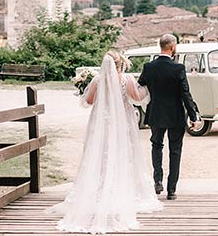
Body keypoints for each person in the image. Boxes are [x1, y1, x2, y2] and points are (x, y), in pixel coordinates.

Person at [49, 51, 163, 234]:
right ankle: (122, 188)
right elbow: (137, 97)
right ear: (120, 64)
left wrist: (85, 89)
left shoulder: (97, 80)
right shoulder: (126, 79)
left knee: (101, 153)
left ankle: (99, 189)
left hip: (101, 121)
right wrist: (148, 86)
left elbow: (89, 100)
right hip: (122, 121)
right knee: (123, 153)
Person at [138, 34, 201, 200]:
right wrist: (193, 116)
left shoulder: (148, 67)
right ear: (172, 47)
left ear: (161, 46)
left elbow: (140, 87)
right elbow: (185, 94)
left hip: (156, 113)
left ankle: (157, 180)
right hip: (175, 115)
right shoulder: (178, 68)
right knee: (175, 150)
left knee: (156, 145)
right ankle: (171, 189)